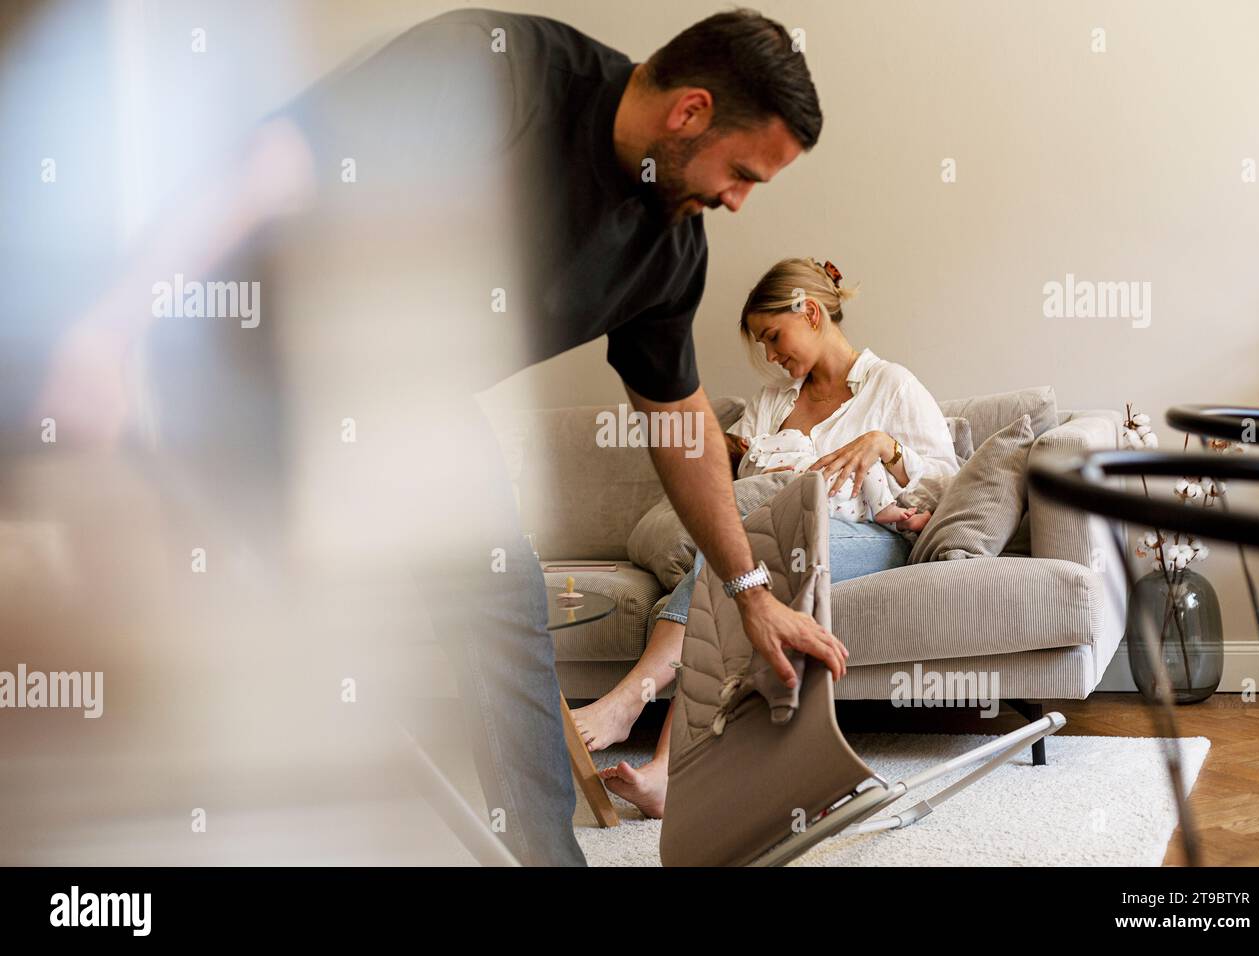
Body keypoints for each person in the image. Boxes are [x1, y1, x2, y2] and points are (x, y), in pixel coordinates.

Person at [36, 10, 849, 866]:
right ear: (688, 112)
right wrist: (113, 330)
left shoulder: (670, 247)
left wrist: (751, 592)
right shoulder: (503, 72)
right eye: (744, 172)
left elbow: (679, 421)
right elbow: (275, 164)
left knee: (500, 601)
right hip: (243, 356)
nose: (737, 199)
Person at [577, 257, 959, 819]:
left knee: (743, 564)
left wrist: (887, 447)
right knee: (732, 565)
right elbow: (738, 481)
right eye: (764, 345)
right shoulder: (773, 401)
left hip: (867, 534)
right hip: (773, 530)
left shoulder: (891, 386)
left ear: (809, 312)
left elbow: (949, 481)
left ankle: (631, 704)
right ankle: (664, 772)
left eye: (774, 337)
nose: (772, 356)